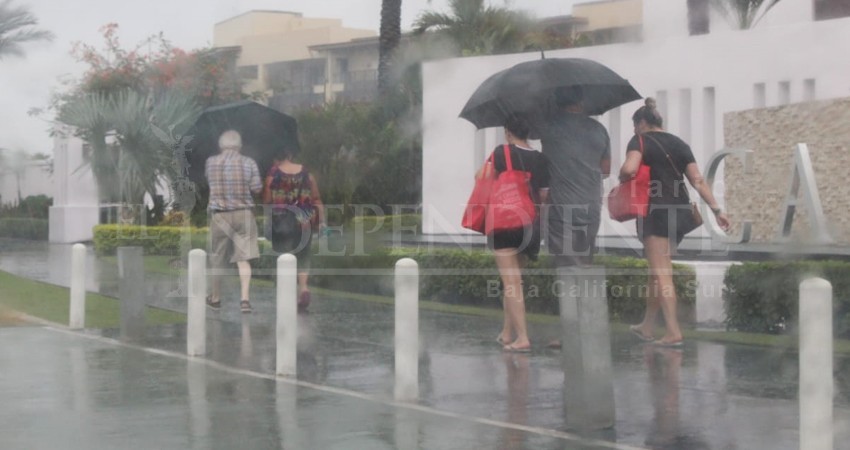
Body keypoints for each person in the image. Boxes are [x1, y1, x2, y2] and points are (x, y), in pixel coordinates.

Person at [619, 98, 730, 346]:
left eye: (635, 125)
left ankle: (672, 332)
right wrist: (717, 211)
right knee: (656, 272)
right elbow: (698, 180)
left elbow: (629, 169)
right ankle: (647, 325)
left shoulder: (639, 140)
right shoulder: (680, 143)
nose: (634, 130)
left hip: (655, 211)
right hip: (679, 211)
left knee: (661, 272)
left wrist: (623, 173)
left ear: (642, 123)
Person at [537, 86, 611, 349]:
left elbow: (544, 159)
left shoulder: (550, 129)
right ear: (582, 101)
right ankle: (589, 327)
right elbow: (606, 169)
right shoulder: (599, 130)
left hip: (562, 209)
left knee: (568, 270)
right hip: (591, 206)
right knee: (584, 266)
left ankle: (573, 334)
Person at [486, 115, 549, 353]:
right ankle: (506, 332)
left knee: (511, 282)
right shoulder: (540, 159)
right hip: (528, 224)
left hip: (503, 222)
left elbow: (483, 180)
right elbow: (543, 196)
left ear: (508, 133)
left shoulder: (500, 153)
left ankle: (522, 337)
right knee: (513, 280)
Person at [205, 130, 263, 313]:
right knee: (243, 259)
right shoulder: (249, 163)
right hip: (243, 214)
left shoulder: (211, 163)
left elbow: (211, 184)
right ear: (239, 146)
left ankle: (215, 298)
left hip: (220, 215)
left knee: (217, 258)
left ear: (221, 146)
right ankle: (245, 300)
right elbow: (256, 188)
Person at [262, 147, 326, 311]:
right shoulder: (307, 174)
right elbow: (317, 199)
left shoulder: (273, 175)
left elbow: (268, 200)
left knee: (284, 257)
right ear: (290, 155)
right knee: (303, 256)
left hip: (281, 221)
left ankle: (287, 294)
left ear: (276, 158)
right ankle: (303, 288)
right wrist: (321, 222)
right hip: (304, 220)